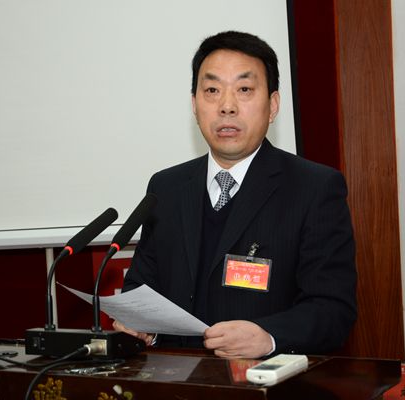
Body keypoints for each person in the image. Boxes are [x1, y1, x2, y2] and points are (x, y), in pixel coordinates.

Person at [113, 31, 357, 359]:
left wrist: (269, 336)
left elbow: (333, 309)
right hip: (175, 378)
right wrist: (140, 324)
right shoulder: (166, 188)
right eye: (212, 90)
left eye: (244, 90)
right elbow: (143, 287)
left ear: (272, 105)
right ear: (194, 104)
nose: (226, 106)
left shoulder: (314, 188)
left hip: (268, 379)